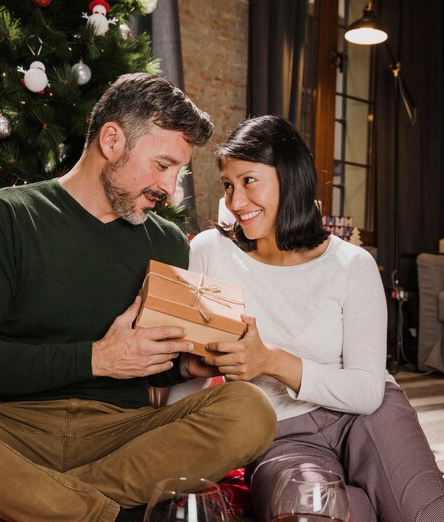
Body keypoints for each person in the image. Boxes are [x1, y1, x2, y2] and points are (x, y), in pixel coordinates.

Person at [0, 73, 277, 522]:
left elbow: (146, 359)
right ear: (112, 140)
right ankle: (91, 513)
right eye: (163, 165)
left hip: (121, 437)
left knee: (250, 410)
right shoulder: (8, 215)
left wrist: (186, 364)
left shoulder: (167, 241)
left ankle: (26, 502)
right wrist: (95, 359)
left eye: (177, 172)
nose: (170, 189)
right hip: (6, 431)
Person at [171, 114, 444, 521]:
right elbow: (188, 372)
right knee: (307, 516)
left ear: (289, 177)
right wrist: (188, 373)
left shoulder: (352, 263)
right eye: (228, 185)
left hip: (366, 417)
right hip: (281, 435)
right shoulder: (210, 251)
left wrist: (269, 361)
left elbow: (368, 391)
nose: (235, 201)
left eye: (249, 181)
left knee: (425, 514)